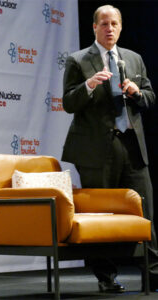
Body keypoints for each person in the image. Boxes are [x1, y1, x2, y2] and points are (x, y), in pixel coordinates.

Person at [62, 5, 157, 293]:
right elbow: (68, 103)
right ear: (94, 27)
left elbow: (150, 98)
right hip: (95, 149)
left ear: (121, 27)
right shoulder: (78, 60)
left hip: (131, 145)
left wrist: (137, 93)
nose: (109, 28)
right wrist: (89, 85)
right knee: (100, 214)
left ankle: (153, 275)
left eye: (114, 23)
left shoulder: (133, 59)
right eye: (104, 23)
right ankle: (106, 277)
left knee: (146, 210)